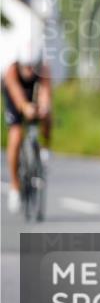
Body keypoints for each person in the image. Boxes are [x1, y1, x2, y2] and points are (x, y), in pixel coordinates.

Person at [3, 42, 52, 213]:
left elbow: (45, 92)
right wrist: (25, 107)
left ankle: (45, 149)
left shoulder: (43, 70)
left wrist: (43, 107)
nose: (30, 70)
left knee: (47, 115)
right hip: (16, 99)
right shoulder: (11, 72)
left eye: (33, 66)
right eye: (27, 66)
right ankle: (15, 186)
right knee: (16, 135)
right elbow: (16, 95)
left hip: (34, 95)